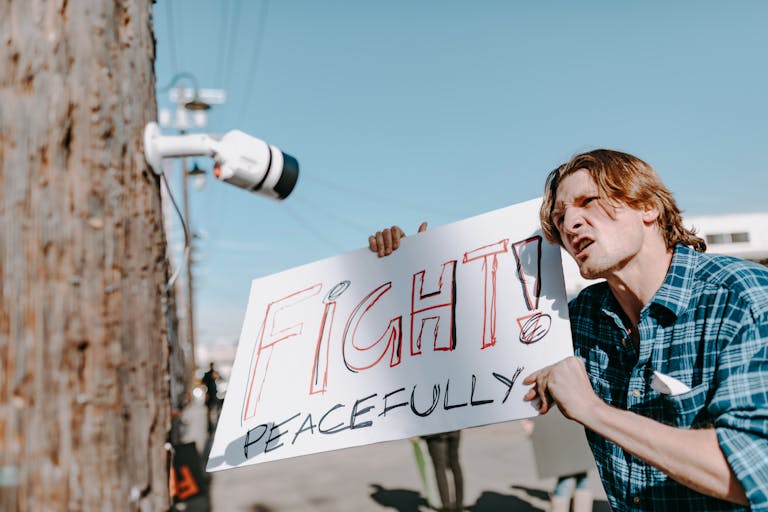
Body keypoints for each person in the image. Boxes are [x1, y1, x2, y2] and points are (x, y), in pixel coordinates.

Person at [523, 149, 768, 510]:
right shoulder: (577, 321)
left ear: (647, 207)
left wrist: (594, 411)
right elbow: (472, 357)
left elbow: (755, 471)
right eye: (560, 218)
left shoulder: (742, 299)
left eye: (588, 201)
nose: (571, 223)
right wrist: (410, 277)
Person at [369, 223, 464, 512]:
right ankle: (458, 506)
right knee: (454, 461)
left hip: (433, 416)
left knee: (440, 464)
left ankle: (448, 507)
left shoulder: (417, 357)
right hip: (454, 411)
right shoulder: (445, 348)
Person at [201, 362, 221, 432]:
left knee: (216, 410)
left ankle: (215, 425)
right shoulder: (207, 374)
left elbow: (220, 378)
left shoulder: (215, 373)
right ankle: (210, 427)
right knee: (209, 412)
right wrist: (206, 394)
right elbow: (203, 384)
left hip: (215, 395)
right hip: (210, 395)